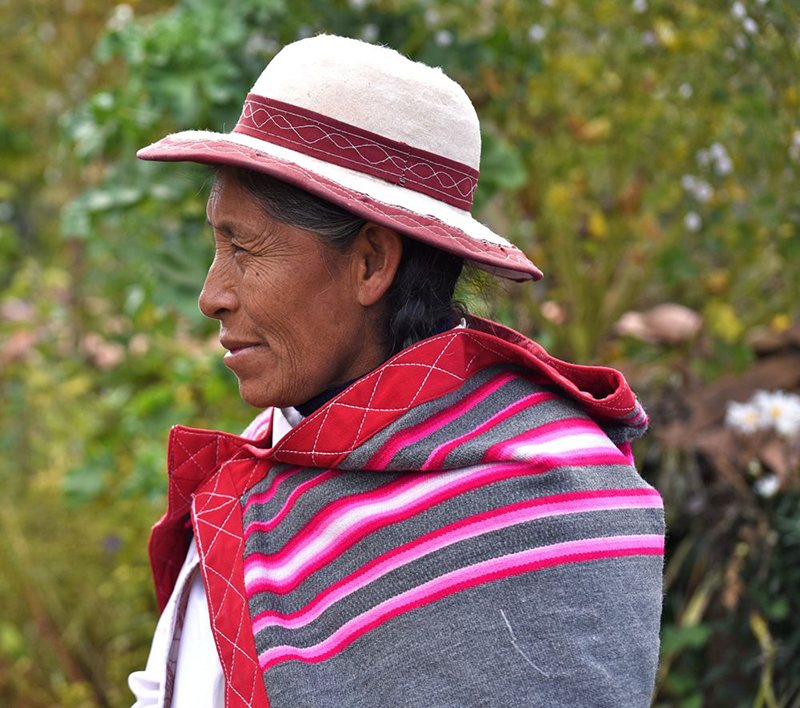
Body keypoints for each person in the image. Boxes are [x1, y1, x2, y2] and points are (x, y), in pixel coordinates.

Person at [128, 34, 665, 708]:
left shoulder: (553, 497)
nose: (213, 295)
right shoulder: (274, 464)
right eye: (218, 242)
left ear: (371, 263)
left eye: (245, 249)